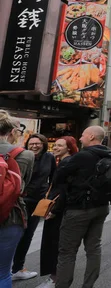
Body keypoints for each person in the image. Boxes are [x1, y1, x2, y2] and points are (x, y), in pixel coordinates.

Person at [53, 126, 111, 288]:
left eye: (82, 135)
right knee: (94, 248)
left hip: (78, 209)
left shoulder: (82, 156)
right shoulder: (108, 154)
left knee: (67, 252)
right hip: (101, 207)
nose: (80, 138)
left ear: (91, 136)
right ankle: (88, 285)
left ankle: (62, 285)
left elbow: (59, 175)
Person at [12, 133, 56, 282]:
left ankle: (17, 267)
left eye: (38, 143)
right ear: (27, 145)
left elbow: (53, 178)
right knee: (14, 233)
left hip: (38, 202)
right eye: (31, 143)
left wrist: (48, 197)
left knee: (27, 235)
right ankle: (9, 267)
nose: (34, 146)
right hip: (20, 200)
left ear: (43, 144)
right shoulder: (22, 156)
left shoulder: (49, 158)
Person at [37, 137, 78, 288]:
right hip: (61, 208)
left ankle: (54, 278)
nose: (55, 148)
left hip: (58, 209)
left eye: (60, 146)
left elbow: (63, 190)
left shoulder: (66, 164)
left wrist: (54, 210)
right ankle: (55, 276)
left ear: (69, 148)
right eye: (55, 145)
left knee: (53, 242)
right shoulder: (66, 161)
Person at [0, 112, 34, 288]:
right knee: (3, 272)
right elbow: (21, 187)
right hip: (11, 216)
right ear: (12, 131)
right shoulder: (25, 155)